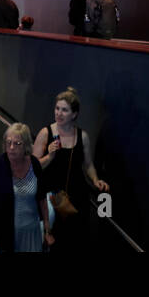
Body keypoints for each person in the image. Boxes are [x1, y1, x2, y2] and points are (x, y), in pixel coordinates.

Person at [32, 88, 108, 252]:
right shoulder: (46, 133)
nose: (59, 113)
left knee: (74, 240)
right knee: (51, 239)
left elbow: (88, 164)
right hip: (51, 196)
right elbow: (33, 166)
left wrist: (95, 180)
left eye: (64, 110)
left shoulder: (83, 136)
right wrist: (50, 156)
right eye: (57, 108)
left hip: (76, 196)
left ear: (74, 114)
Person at [0, 123, 53, 253]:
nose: (11, 147)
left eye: (17, 144)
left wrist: (47, 230)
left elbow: (41, 199)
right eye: (8, 142)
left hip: (30, 233)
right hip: (3, 234)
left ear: (26, 146)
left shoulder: (34, 164)